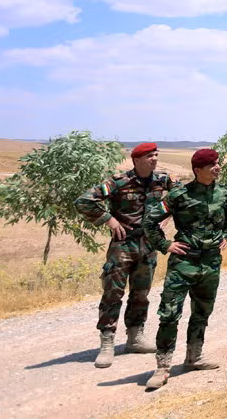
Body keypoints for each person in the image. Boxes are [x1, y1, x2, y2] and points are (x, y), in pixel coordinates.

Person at [75, 142, 177, 368]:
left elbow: (182, 194)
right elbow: (83, 201)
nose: (155, 159)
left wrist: (170, 213)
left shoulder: (162, 180)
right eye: (150, 155)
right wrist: (108, 220)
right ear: (137, 159)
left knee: (141, 294)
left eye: (156, 155)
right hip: (123, 246)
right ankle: (107, 343)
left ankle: (135, 338)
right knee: (113, 294)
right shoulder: (118, 181)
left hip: (148, 245)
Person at [143, 148, 227, 390]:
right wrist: (165, 244)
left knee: (202, 312)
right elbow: (149, 221)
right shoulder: (179, 195)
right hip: (183, 263)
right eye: (212, 164)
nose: (217, 167)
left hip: (211, 263)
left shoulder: (225, 193)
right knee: (169, 314)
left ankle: (194, 358)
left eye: (217, 163)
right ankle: (162, 367)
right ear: (198, 170)